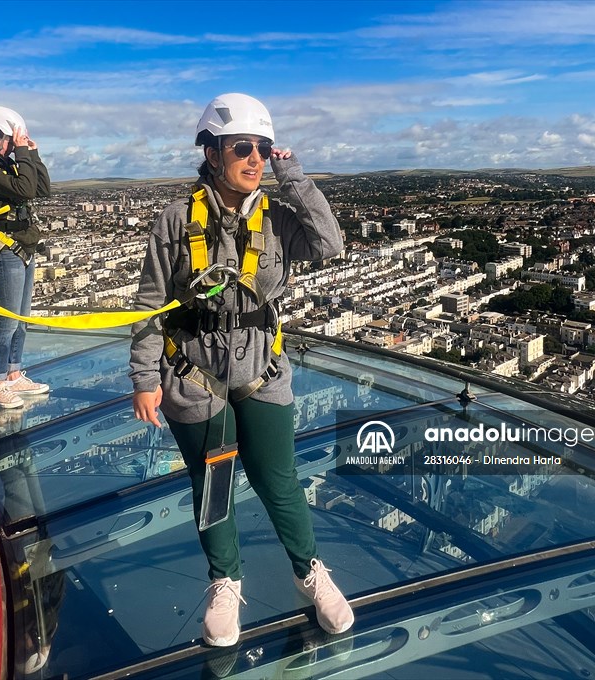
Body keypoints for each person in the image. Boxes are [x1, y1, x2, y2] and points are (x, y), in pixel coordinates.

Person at [129, 93, 352, 647]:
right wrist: (144, 378)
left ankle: (310, 572)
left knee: (280, 480)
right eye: (242, 148)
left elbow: (331, 242)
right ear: (211, 152)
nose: (254, 159)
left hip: (262, 369)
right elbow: (150, 302)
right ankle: (225, 581)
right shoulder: (176, 222)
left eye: (263, 149)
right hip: (193, 373)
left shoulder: (277, 218)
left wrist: (292, 174)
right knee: (214, 484)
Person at [0, 106, 51, 409]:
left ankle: (13, 374)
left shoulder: (4, 163)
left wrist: (32, 154)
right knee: (7, 322)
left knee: (21, 319)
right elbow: (25, 188)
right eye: (11, 142)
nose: (14, 147)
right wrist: (23, 155)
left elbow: (42, 189)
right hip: (4, 249)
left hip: (23, 245)